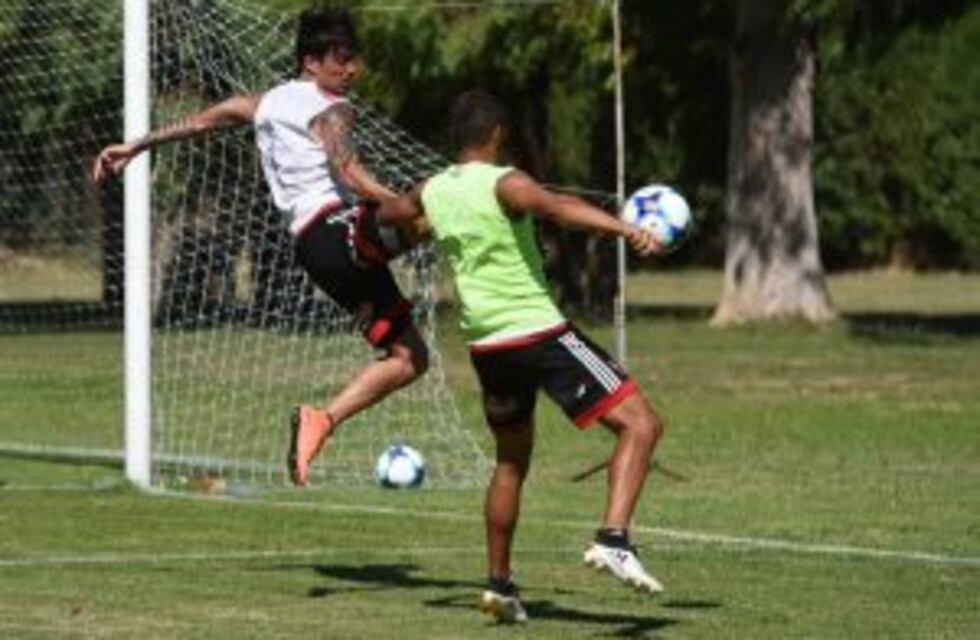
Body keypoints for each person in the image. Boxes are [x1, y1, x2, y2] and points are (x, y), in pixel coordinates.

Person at [92, 8, 428, 487]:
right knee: (430, 200)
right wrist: (402, 204)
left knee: (411, 356)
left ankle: (322, 420)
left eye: (355, 59)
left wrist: (136, 145)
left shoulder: (265, 103)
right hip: (334, 230)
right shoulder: (331, 108)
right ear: (311, 62)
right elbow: (349, 171)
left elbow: (205, 120)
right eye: (342, 59)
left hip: (315, 255)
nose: (352, 70)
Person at [378, 90, 668, 623]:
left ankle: (500, 586)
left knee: (511, 461)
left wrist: (357, 180)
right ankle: (613, 537)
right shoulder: (504, 181)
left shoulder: (434, 189)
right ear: (497, 135)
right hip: (537, 333)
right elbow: (560, 209)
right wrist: (626, 228)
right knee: (643, 424)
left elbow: (391, 211)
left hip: (487, 348)